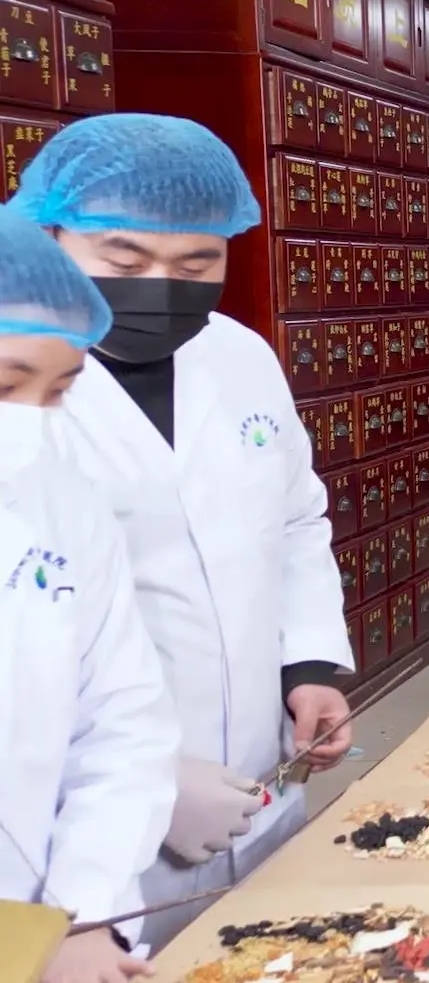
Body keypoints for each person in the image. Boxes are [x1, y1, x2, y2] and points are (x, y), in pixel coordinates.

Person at [13, 114, 355, 948]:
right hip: (71, 826)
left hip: (258, 766)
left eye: (196, 264)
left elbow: (295, 517)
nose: (161, 287)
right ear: (48, 236)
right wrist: (153, 781)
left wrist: (308, 667)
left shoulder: (240, 357)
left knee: (266, 949)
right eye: (125, 261)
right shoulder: (22, 389)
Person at [0, 209, 178, 980]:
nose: (29, 424)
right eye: (7, 385)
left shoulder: (59, 500)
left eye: (58, 391)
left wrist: (78, 916)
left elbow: (122, 722)